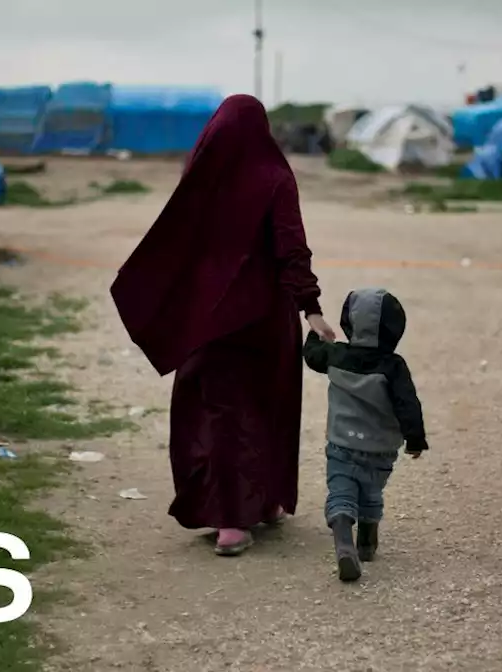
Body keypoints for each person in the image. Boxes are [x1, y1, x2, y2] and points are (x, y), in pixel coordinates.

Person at [111, 95, 336, 557]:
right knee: (264, 408)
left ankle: (230, 520)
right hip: (264, 320)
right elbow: (291, 246)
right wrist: (311, 309)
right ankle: (263, 501)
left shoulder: (199, 175)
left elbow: (174, 244)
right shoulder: (274, 175)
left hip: (205, 317)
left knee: (215, 415)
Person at [302, 288, 429, 582]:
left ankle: (343, 539)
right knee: (371, 492)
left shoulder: (336, 355)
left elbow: (311, 356)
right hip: (380, 450)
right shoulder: (393, 367)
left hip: (341, 443)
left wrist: (315, 332)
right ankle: (367, 541)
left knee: (341, 491)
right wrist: (415, 439)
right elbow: (407, 404)